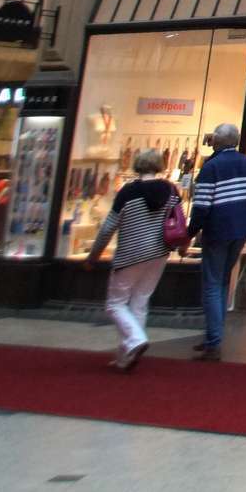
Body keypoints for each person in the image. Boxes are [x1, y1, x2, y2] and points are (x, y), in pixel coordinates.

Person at [84, 149, 178, 372]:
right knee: (140, 301)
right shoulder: (171, 190)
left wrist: (93, 256)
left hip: (130, 253)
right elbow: (177, 220)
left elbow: (108, 227)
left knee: (115, 304)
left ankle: (135, 340)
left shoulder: (128, 192)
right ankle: (126, 356)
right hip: (159, 253)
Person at [189, 123, 246, 361]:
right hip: (241, 229)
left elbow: (201, 205)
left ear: (218, 141)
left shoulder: (212, 166)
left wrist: (191, 232)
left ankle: (214, 340)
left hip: (218, 229)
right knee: (221, 281)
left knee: (212, 282)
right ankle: (215, 334)